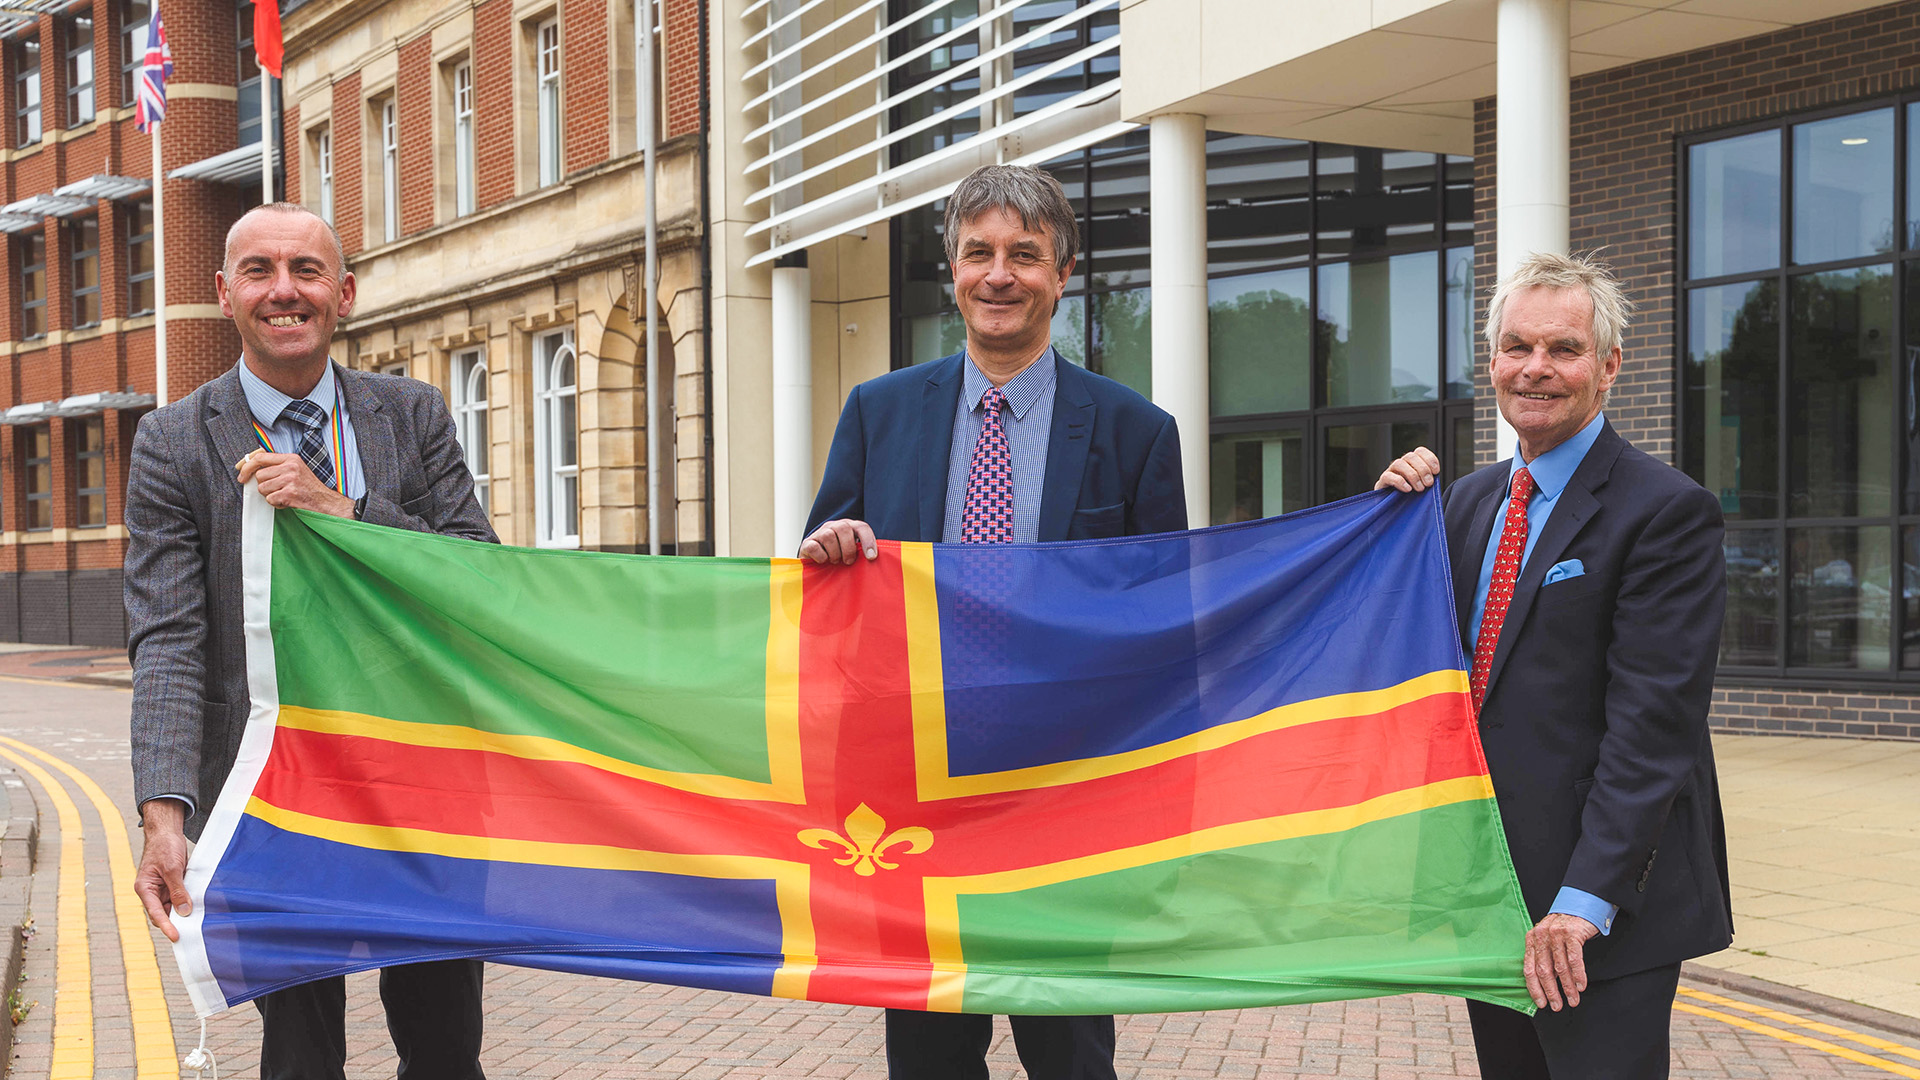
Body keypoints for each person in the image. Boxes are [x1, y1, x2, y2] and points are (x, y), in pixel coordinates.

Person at [801, 164, 1186, 1079]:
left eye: (1025, 255)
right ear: (953, 269)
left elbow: (1167, 623)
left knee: (1071, 1054)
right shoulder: (878, 412)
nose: (999, 275)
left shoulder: (1137, 432)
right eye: (980, 253)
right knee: (928, 1055)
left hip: (1066, 794)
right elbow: (821, 594)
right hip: (916, 792)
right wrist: (829, 547)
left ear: (1065, 272)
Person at [127, 202, 496, 1080]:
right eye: (258, 270)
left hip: (419, 781)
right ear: (223, 293)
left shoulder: (412, 415)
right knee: (299, 1059)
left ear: (344, 293)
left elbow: (479, 575)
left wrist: (346, 510)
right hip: (269, 797)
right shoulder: (175, 443)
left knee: (446, 1052)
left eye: (306, 271)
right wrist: (163, 815)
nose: (283, 290)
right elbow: (170, 640)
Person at [1374, 251, 1732, 1079]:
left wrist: (1581, 905)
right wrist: (1389, 522)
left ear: (1608, 367)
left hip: (1599, 906)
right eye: (1517, 347)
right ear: (1492, 361)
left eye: (1563, 349)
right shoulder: (1464, 503)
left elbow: (1653, 728)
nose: (1536, 369)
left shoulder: (1666, 511)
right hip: (1493, 892)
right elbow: (1416, 664)